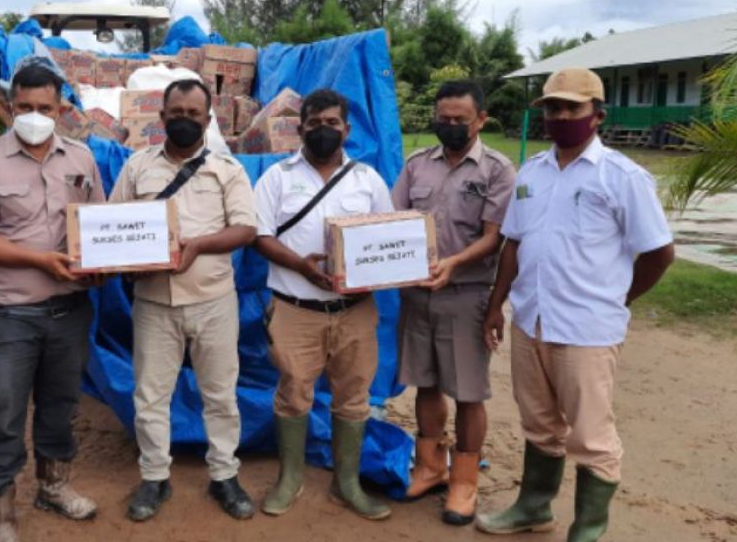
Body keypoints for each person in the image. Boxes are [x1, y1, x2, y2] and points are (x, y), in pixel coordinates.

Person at [477, 68, 675, 542]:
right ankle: (533, 506)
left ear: (597, 116)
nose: (560, 116)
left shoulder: (623, 177)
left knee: (591, 437)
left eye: (571, 108)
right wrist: (495, 306)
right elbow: (513, 244)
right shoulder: (531, 172)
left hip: (587, 330)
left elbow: (659, 252)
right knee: (540, 423)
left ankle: (587, 528)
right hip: (531, 321)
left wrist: (617, 298)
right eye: (552, 108)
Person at [0, 63, 106, 542]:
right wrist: (41, 260)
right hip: (10, 311)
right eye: (24, 108)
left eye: (45, 108)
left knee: (61, 405)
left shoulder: (82, 159)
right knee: (2, 408)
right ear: (9, 107)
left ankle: (53, 486)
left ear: (61, 109)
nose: (35, 116)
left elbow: (99, 227)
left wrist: (105, 261)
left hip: (69, 310)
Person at [109, 78, 259, 522]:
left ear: (208, 120)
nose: (185, 120)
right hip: (154, 301)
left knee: (220, 393)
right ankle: (154, 477)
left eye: (194, 114)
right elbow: (113, 226)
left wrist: (194, 246)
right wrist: (123, 259)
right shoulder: (137, 167)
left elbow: (245, 229)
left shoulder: (227, 169)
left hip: (213, 299)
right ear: (161, 117)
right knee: (151, 396)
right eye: (176, 112)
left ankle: (224, 475)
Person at [252, 88, 396, 521]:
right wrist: (302, 266)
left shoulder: (368, 180)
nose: (323, 131)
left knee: (354, 396)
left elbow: (387, 238)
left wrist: (370, 275)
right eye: (314, 124)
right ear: (300, 128)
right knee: (293, 394)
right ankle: (289, 478)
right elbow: (259, 236)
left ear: (347, 129)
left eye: (332, 123)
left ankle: (346, 483)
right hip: (296, 307)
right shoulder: (277, 177)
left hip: (354, 311)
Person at [392, 80, 516, 525]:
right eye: (442, 119)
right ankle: (430, 466)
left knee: (468, 392)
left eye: (459, 121)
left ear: (480, 120)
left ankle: (464, 480)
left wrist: (454, 263)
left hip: (466, 295)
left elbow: (495, 237)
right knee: (425, 382)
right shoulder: (416, 165)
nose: (449, 126)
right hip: (417, 293)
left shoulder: (497, 171)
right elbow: (393, 221)